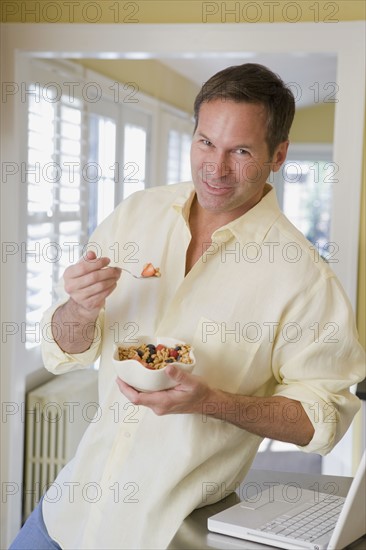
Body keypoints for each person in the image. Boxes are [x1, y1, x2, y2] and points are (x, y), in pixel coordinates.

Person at [10, 63, 365, 550]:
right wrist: (79, 309)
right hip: (66, 512)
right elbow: (67, 348)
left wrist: (211, 402)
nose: (215, 169)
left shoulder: (303, 279)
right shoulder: (136, 214)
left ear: (278, 154)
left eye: (240, 151)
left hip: (165, 534)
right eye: (205, 143)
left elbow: (322, 417)